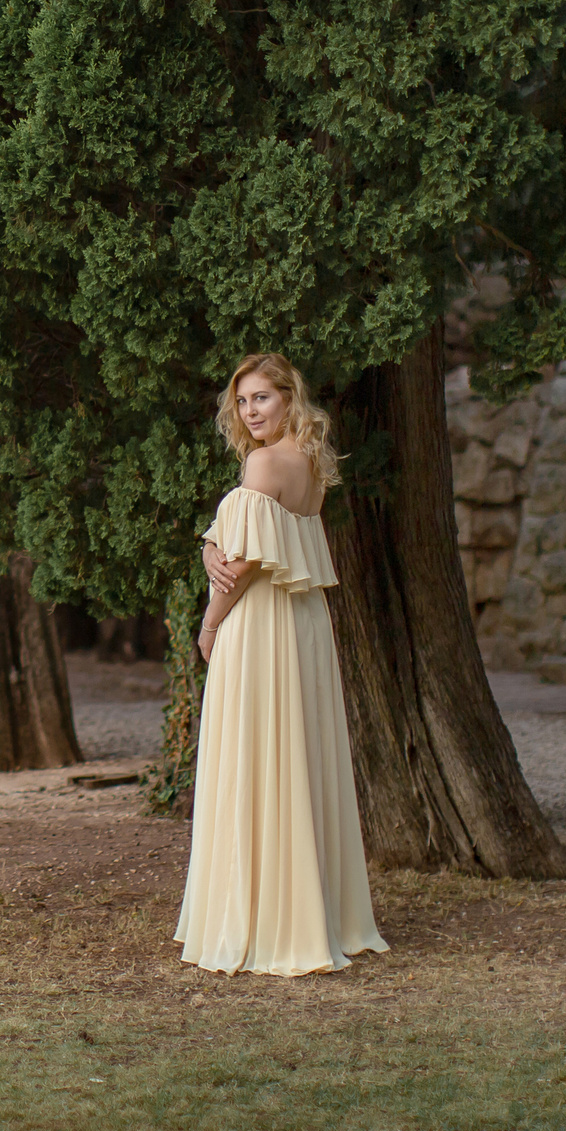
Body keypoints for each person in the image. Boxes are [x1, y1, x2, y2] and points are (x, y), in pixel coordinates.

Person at [173, 352, 388, 976]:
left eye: (262, 398)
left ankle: (259, 923)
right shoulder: (312, 465)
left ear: (290, 399)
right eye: (242, 401)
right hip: (303, 624)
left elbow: (241, 565)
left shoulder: (263, 463)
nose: (250, 411)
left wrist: (209, 624)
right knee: (295, 755)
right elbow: (244, 541)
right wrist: (212, 545)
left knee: (255, 756)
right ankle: (305, 915)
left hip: (261, 625)